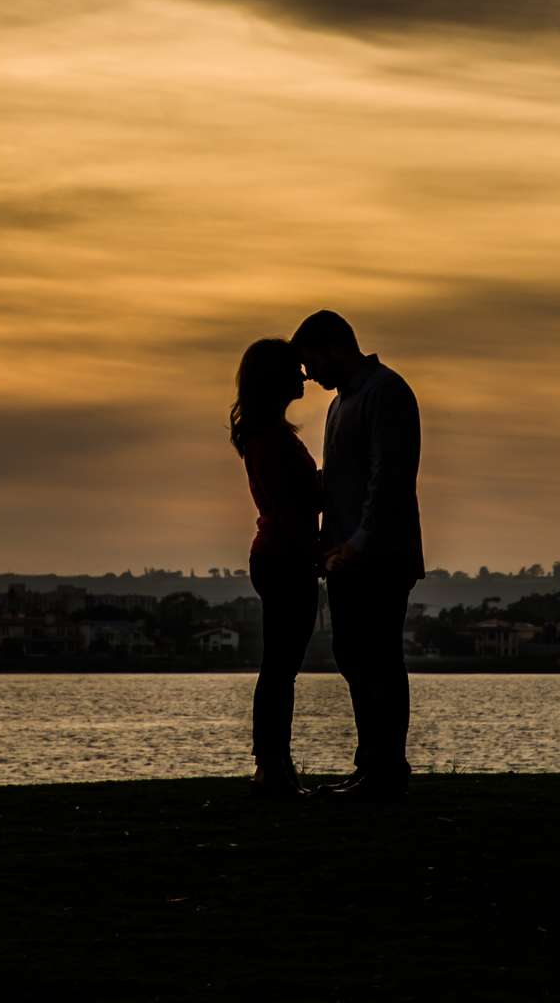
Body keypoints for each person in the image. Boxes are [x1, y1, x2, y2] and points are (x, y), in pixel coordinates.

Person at [293, 310, 423, 803]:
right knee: (354, 656)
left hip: (379, 556)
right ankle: (371, 764)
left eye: (310, 364)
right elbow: (344, 479)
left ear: (333, 348)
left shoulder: (386, 392)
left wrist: (358, 543)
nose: (309, 377)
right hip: (344, 555)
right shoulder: (341, 403)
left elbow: (387, 479)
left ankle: (387, 768)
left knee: (380, 659)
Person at [229, 337, 320, 798]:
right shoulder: (274, 440)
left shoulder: (266, 435)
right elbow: (298, 501)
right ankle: (272, 767)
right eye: (294, 369)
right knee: (281, 668)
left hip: (278, 555)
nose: (304, 376)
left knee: (280, 667)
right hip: (287, 557)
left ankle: (274, 765)